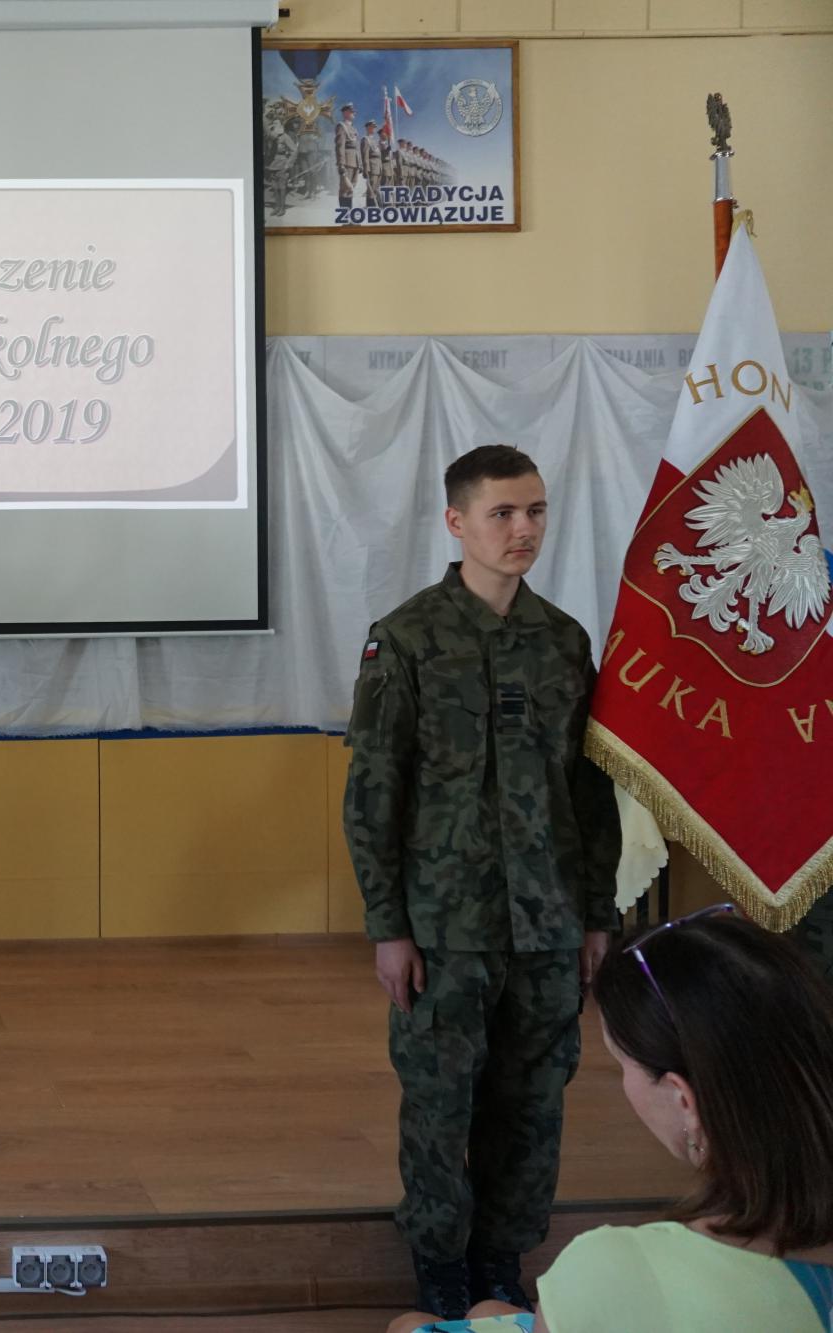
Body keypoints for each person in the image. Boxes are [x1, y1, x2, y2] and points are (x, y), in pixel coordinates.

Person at [343, 445, 621, 1319]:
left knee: (533, 1103)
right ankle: (439, 1270)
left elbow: (590, 792)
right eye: (502, 513)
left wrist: (597, 913)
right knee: (440, 1103)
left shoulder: (564, 642)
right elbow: (373, 792)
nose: (523, 528)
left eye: (535, 510)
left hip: (547, 924)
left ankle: (503, 1265)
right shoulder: (407, 638)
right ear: (457, 522)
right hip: (444, 927)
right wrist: (388, 924)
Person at [387, 907, 833, 1332]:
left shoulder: (614, 1270)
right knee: (489, 1309)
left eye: (623, 1064)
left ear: (683, 1099)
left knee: (411, 1326)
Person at [335, 104, 362, 209]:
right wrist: (341, 164)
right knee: (345, 189)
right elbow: (340, 146)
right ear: (345, 113)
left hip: (355, 162)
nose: (354, 113)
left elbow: (357, 148)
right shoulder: (341, 126)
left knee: (351, 189)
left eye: (354, 111)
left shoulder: (354, 129)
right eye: (352, 111)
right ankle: (344, 215)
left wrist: (360, 163)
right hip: (347, 161)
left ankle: (349, 214)